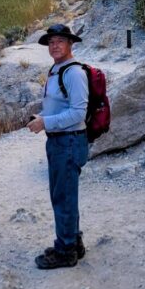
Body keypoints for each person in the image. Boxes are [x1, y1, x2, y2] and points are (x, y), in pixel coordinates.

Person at [27, 22, 89, 269]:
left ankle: (66, 251)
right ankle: (73, 241)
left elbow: (78, 113)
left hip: (69, 141)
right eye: (51, 42)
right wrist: (41, 117)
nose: (54, 46)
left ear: (70, 43)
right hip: (60, 140)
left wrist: (45, 122)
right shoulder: (57, 69)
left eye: (59, 41)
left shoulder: (73, 73)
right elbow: (58, 105)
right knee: (64, 195)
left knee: (63, 196)